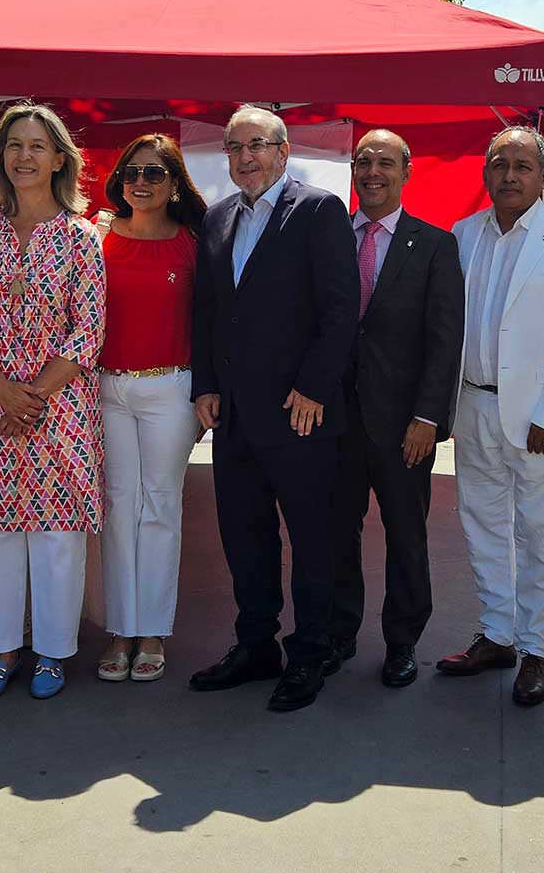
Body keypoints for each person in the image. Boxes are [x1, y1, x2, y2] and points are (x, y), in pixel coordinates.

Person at [189, 105, 358, 713]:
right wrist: (204, 385)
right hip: (233, 416)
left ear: (284, 153)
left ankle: (309, 653)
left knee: (313, 541)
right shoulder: (217, 218)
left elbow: (341, 312)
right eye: (234, 148)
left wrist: (314, 387)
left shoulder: (318, 211)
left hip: (300, 414)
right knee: (245, 538)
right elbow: (208, 312)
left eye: (256, 145)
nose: (245, 157)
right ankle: (255, 645)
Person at [0, 102, 104, 702]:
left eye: (38, 146)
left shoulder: (81, 237)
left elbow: (86, 330)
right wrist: (3, 393)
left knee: (56, 533)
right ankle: (0, 649)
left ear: (59, 158)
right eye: (14, 145)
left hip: (57, 405)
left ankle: (53, 653)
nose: (25, 156)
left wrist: (32, 396)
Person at [439, 125, 544, 707]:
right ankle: (497, 634)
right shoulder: (463, 235)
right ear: (485, 173)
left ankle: (536, 650)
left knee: (539, 533)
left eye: (522, 166)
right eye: (499, 164)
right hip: (472, 404)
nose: (509, 175)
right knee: (481, 525)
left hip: (539, 418)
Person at [328, 129, 464, 688]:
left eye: (386, 162)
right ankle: (337, 632)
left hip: (404, 424)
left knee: (406, 533)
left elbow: (443, 339)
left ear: (407, 172)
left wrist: (428, 419)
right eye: (364, 162)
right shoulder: (328, 237)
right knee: (335, 533)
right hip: (332, 421)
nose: (373, 172)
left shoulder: (433, 245)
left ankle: (402, 641)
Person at [94, 134, 206, 684]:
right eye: (133, 171)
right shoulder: (94, 238)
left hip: (170, 390)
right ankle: (121, 629)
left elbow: (212, 323)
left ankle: (153, 628)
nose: (142, 181)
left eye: (155, 173)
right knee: (118, 506)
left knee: (159, 507)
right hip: (104, 389)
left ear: (174, 184)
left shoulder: (194, 242)